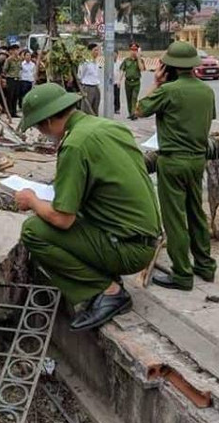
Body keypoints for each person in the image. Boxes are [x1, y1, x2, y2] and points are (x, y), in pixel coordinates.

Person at [16, 83, 161, 331]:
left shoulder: (74, 145)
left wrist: (32, 201)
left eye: (39, 126)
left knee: (33, 230)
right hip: (144, 238)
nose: (43, 133)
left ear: (49, 121)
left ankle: (108, 290)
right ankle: (105, 274)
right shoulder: (107, 126)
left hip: (128, 249)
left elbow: (63, 219)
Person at [136, 41, 217, 290]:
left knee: (174, 219)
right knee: (196, 213)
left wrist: (156, 83)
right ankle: (204, 266)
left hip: (172, 162)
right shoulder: (206, 91)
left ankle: (182, 273)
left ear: (168, 66)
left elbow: (139, 110)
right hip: (197, 161)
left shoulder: (168, 91)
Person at [120, 43, 146, 120]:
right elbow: (122, 70)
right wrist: (119, 80)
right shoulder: (126, 60)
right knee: (129, 98)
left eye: (135, 50)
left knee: (134, 98)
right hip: (127, 82)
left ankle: (133, 114)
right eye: (132, 49)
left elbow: (142, 69)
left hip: (136, 82)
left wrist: (138, 58)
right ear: (129, 50)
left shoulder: (140, 60)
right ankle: (130, 113)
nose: (133, 51)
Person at [77, 43, 101, 115]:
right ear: (90, 51)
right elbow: (80, 75)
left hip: (96, 87)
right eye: (95, 50)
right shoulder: (85, 62)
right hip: (88, 87)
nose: (97, 52)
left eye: (98, 50)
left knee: (95, 109)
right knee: (86, 109)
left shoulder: (96, 62)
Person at [2, 44, 22, 117]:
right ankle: (9, 112)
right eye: (16, 50)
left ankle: (14, 112)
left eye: (18, 50)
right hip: (10, 79)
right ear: (12, 51)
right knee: (10, 96)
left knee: (16, 96)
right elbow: (4, 70)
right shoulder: (9, 60)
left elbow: (20, 68)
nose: (17, 51)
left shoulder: (19, 59)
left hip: (17, 79)